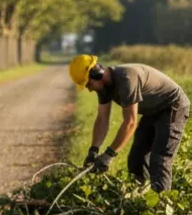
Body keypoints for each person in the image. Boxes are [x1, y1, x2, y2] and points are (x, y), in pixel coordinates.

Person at [69, 55, 189, 191]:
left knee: (159, 159)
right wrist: (93, 151)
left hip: (173, 105)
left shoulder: (126, 79)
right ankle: (139, 197)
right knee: (136, 158)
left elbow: (130, 122)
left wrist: (109, 155)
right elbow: (102, 118)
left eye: (88, 84)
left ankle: (161, 200)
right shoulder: (104, 87)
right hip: (153, 111)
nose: (90, 89)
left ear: (97, 74)